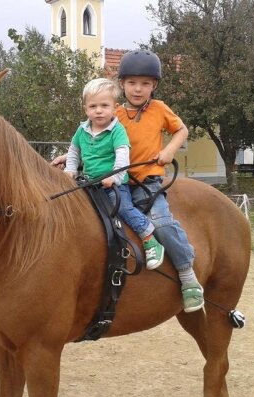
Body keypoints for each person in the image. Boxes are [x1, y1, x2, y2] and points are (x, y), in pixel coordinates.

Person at [54, 50, 204, 313]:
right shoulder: (114, 112)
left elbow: (181, 130)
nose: (138, 89)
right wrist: (70, 157)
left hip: (147, 181)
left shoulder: (159, 110)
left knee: (161, 223)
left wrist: (169, 151)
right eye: (132, 83)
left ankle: (187, 274)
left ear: (154, 86)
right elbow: (98, 142)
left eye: (145, 83)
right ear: (122, 84)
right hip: (116, 180)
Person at [64, 78, 165, 269]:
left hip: (113, 184)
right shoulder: (82, 129)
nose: (98, 110)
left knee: (123, 209)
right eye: (93, 106)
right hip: (89, 183)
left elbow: (122, 156)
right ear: (86, 109)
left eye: (104, 105)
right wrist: (70, 170)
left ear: (115, 107)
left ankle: (149, 237)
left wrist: (116, 176)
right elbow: (74, 150)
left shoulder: (117, 131)